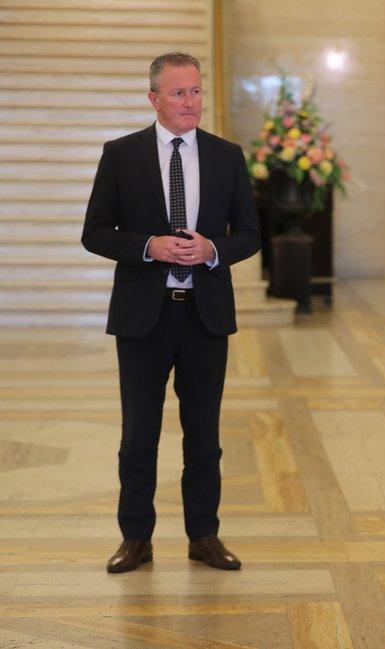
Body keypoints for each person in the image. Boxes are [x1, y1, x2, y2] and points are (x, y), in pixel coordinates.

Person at [81, 52, 260, 573]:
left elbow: (249, 232)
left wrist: (214, 251)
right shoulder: (122, 154)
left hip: (205, 316)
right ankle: (136, 538)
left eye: (197, 91)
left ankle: (203, 535)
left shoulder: (228, 155)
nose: (191, 102)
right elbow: (94, 232)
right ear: (153, 98)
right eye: (179, 93)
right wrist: (147, 246)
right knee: (139, 434)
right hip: (143, 317)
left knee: (204, 435)